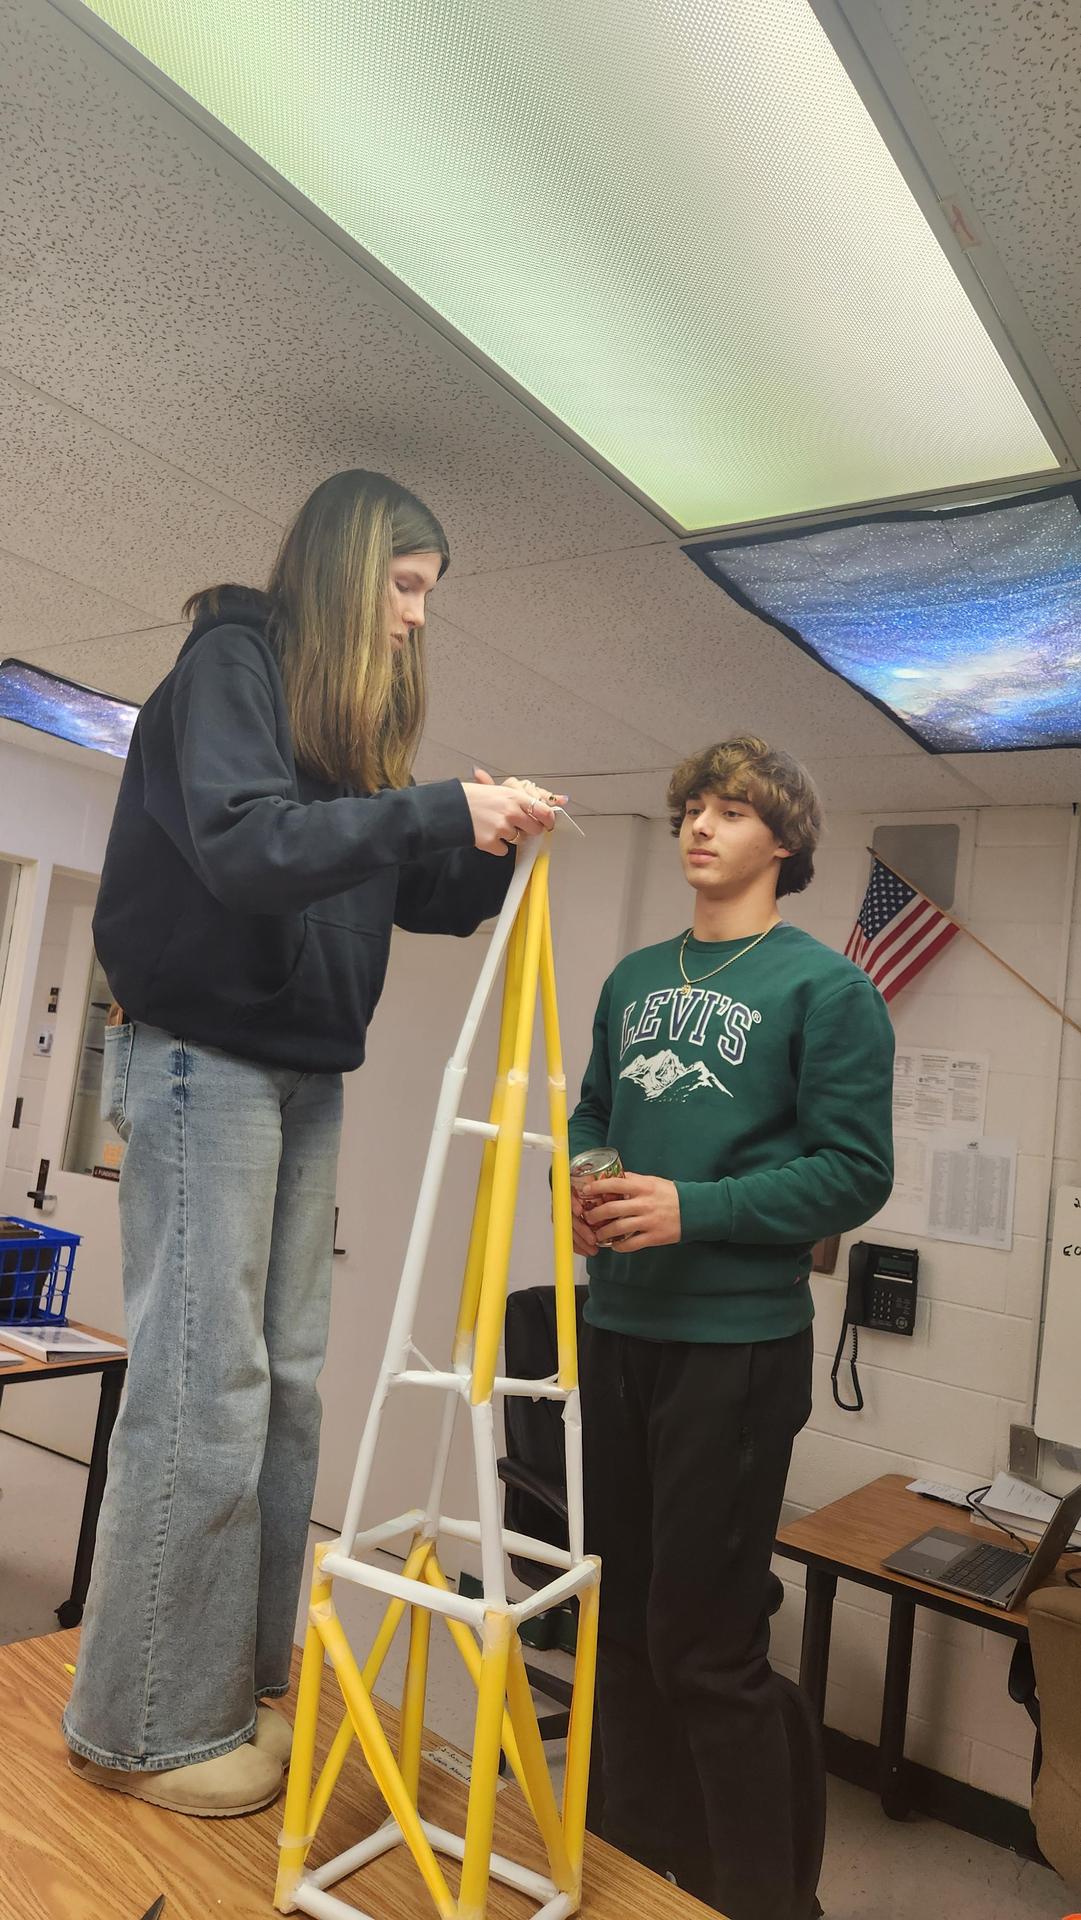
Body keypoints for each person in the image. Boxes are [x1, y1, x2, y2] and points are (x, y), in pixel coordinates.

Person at [64, 468, 564, 1816]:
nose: (415, 619)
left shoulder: (345, 743)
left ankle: (226, 1695)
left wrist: (492, 836)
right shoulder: (231, 659)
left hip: (301, 1074)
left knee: (284, 1397)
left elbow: (415, 887)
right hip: (202, 1060)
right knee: (204, 1391)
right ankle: (140, 1726)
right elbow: (241, 848)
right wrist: (429, 808)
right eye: (405, 588)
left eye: (427, 599)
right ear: (348, 573)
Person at [567, 736, 894, 1920]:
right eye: (689, 809)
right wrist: (590, 1186)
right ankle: (626, 1869)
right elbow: (591, 1111)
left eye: (731, 810)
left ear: (785, 840)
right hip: (618, 1333)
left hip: (737, 1351)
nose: (700, 827)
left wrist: (689, 1207)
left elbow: (854, 1175)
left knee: (705, 1650)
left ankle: (761, 1902)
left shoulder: (824, 987)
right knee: (618, 1625)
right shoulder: (632, 979)